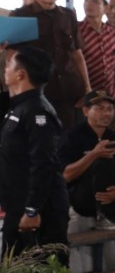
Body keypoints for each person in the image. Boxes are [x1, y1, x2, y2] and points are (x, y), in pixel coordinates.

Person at [0, 45, 69, 258]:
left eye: (9, 64)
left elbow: (43, 163)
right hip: (17, 206)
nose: (5, 68)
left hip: (38, 212)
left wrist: (33, 209)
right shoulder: (18, 106)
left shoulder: (37, 110)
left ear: (20, 74)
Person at [10, 0, 92, 129]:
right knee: (40, 139)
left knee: (68, 138)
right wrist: (15, 92)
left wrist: (87, 87)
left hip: (69, 92)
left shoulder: (68, 15)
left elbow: (76, 54)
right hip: (37, 93)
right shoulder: (20, 16)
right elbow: (12, 58)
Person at [60, 89, 115, 229]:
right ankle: (102, 215)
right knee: (105, 160)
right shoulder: (72, 137)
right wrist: (93, 154)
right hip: (80, 201)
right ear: (86, 111)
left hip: (113, 200)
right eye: (99, 109)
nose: (106, 113)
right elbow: (66, 175)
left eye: (109, 109)